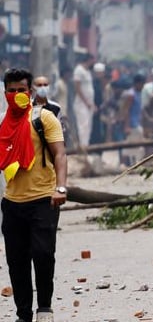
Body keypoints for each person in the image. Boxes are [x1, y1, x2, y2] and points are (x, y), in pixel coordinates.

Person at [1, 69, 68, 322]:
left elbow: (60, 155)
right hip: (12, 202)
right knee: (16, 262)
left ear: (29, 92)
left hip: (44, 199)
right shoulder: (1, 123)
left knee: (42, 254)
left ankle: (44, 308)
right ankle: (23, 315)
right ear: (5, 92)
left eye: (21, 90)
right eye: (11, 90)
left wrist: (60, 188)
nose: (16, 95)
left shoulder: (44, 118)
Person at [72, 53, 97, 147]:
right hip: (81, 103)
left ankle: (86, 146)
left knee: (88, 126)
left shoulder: (88, 72)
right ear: (89, 59)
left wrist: (92, 103)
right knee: (83, 126)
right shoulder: (79, 70)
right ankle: (83, 147)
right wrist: (86, 102)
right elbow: (77, 88)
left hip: (89, 103)